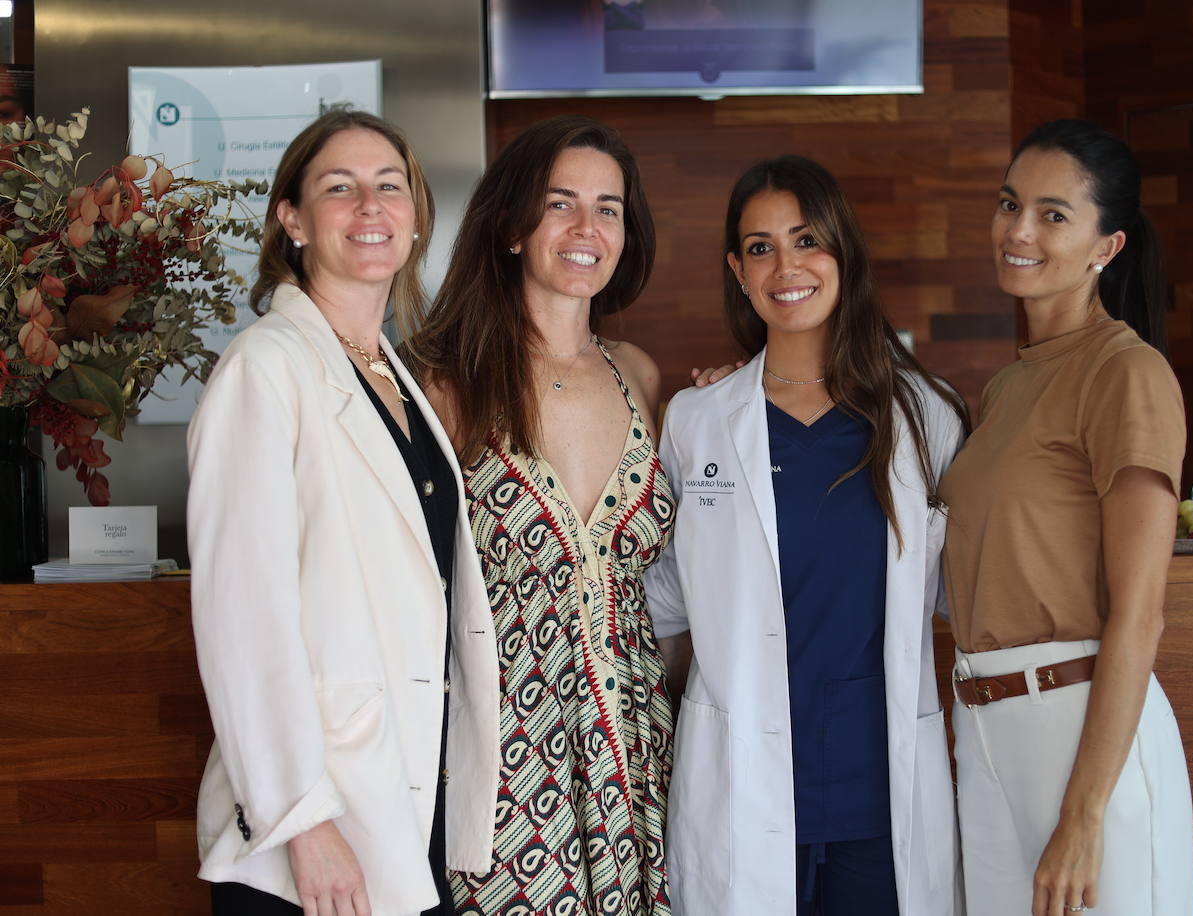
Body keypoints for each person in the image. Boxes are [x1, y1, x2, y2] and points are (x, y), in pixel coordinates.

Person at [188, 111, 498, 916]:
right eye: (339, 188)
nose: (370, 206)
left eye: (389, 187)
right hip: (312, 834)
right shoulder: (265, 368)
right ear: (291, 219)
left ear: (417, 217)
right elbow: (243, 619)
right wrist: (303, 821)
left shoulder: (393, 373)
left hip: (401, 801)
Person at [643, 155, 969, 915]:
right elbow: (662, 595)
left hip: (877, 793)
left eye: (807, 240)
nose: (786, 266)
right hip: (740, 782)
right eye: (760, 248)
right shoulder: (699, 420)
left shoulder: (926, 417)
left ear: (843, 253)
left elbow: (967, 587)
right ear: (737, 269)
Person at [407, 115, 675, 916]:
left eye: (609, 207)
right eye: (560, 203)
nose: (587, 228)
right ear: (514, 225)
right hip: (507, 754)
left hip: (636, 742)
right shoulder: (449, 380)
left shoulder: (641, 376)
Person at [937, 119, 1193, 916]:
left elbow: (1141, 616)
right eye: (1010, 204)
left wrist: (1085, 815)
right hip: (984, 729)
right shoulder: (1008, 388)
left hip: (1080, 736)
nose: (1018, 231)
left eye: (1054, 215)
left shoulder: (1126, 373)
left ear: (1105, 246)